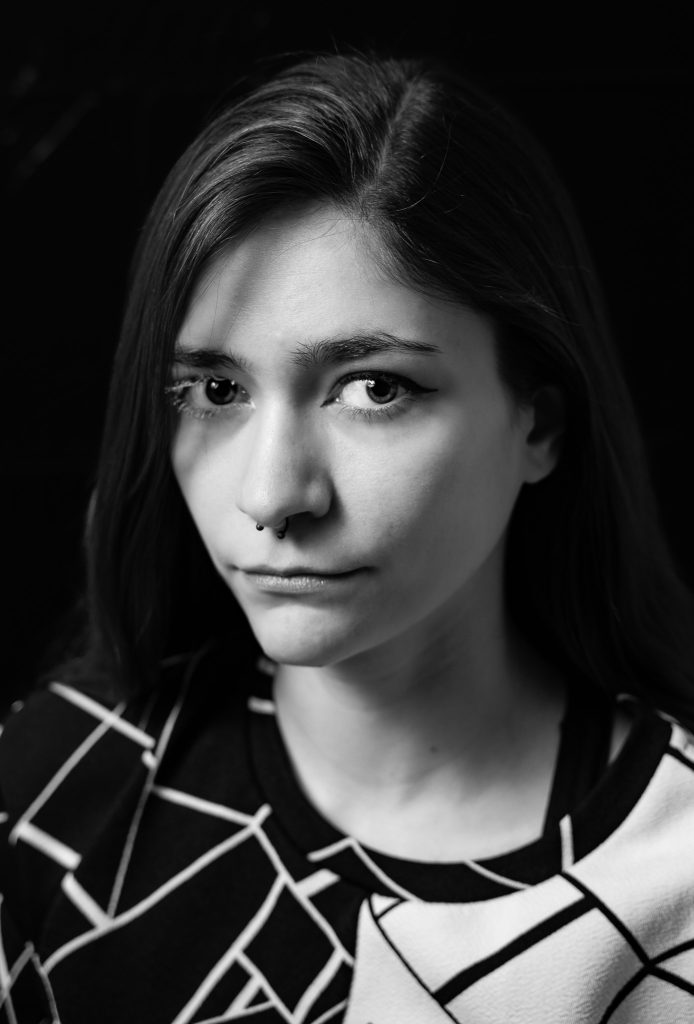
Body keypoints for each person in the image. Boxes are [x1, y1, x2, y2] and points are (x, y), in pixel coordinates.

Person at [1, 51, 693, 1024]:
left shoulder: (675, 882)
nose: (272, 493)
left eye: (375, 388)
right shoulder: (45, 791)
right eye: (215, 391)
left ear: (538, 425)